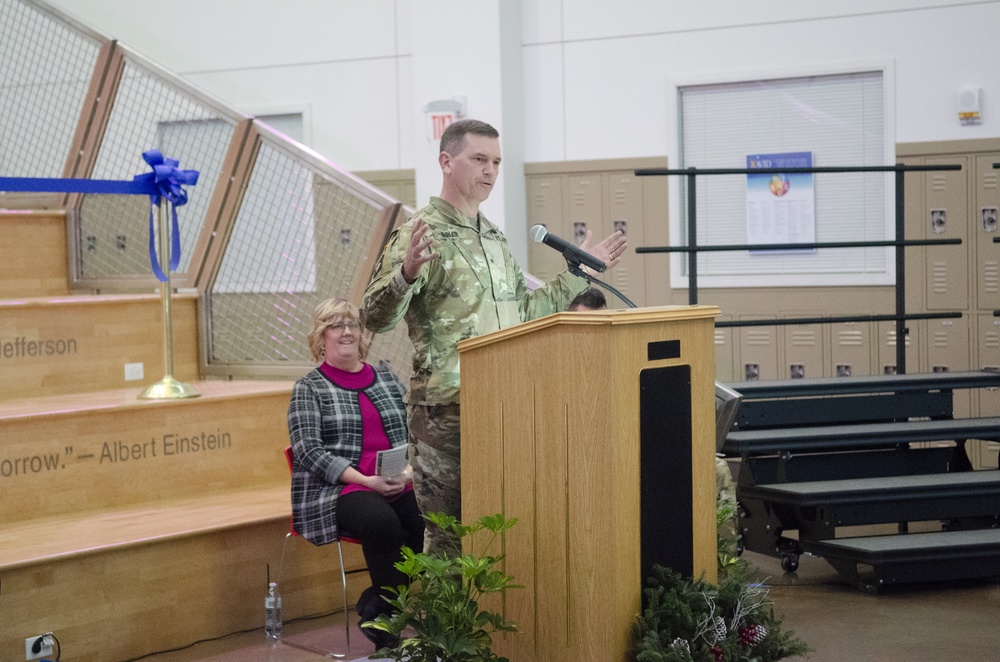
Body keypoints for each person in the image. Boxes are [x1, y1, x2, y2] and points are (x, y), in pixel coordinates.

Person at [362, 119, 628, 556]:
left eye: (497, 162)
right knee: (449, 541)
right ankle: (441, 627)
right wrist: (406, 274)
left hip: (503, 403)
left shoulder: (494, 239)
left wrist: (579, 276)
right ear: (446, 162)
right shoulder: (421, 231)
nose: (490, 171)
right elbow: (373, 318)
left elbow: (523, 314)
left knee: (500, 533)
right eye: (479, 159)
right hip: (446, 410)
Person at [287, 297, 423, 649]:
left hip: (397, 481)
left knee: (431, 523)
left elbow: (415, 432)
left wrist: (407, 474)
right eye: (335, 325)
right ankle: (388, 635)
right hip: (337, 489)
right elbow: (308, 451)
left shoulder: (387, 379)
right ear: (321, 337)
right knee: (382, 522)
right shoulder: (309, 388)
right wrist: (364, 481)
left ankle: (377, 607)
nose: (346, 332)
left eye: (353, 325)